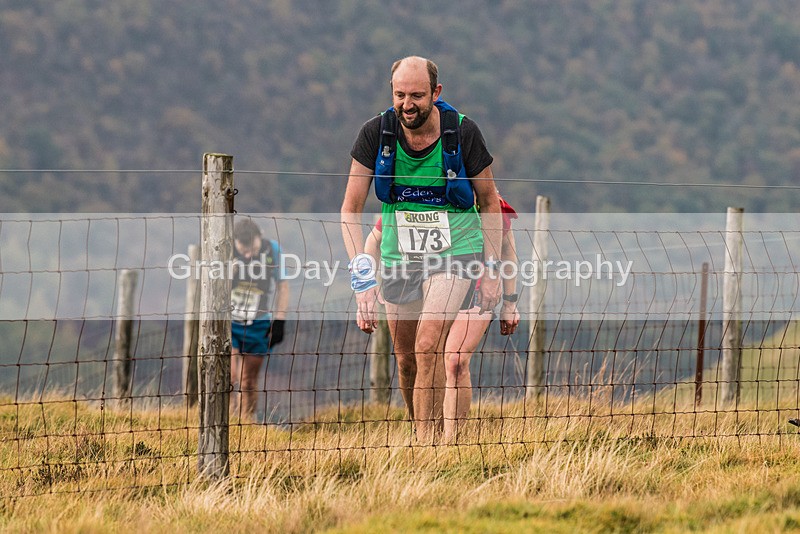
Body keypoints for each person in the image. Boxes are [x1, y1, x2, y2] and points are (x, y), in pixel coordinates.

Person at [341, 56, 503, 443]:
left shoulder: (462, 133)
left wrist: (494, 271)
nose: (407, 104)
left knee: (428, 344)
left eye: (417, 95)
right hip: (400, 257)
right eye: (399, 95)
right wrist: (362, 280)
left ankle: (429, 446)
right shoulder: (374, 134)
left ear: (436, 93)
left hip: (456, 252)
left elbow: (490, 202)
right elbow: (350, 209)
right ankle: (421, 434)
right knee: (407, 359)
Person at [365, 195, 520, 443]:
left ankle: (451, 443)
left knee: (455, 360)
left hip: (478, 288)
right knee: (411, 361)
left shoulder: (491, 203)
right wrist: (368, 283)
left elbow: (508, 251)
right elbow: (373, 241)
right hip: (429, 286)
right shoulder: (422, 196)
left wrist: (510, 302)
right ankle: (422, 429)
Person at [230, 217, 289, 422]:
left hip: (259, 322)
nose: (247, 254)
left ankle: (247, 423)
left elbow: (283, 286)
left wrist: (280, 321)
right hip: (230, 323)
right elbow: (211, 285)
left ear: (259, 238)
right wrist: (229, 275)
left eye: (251, 248)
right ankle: (227, 422)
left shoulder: (272, 250)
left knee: (248, 381)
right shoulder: (226, 251)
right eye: (242, 249)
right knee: (229, 377)